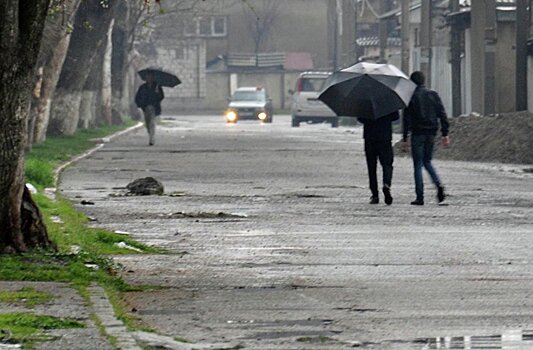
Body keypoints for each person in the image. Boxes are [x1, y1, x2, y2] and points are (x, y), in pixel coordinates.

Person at [402, 71, 450, 205]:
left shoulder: (410, 97)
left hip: (417, 133)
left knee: (417, 165)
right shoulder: (433, 95)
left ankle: (420, 196)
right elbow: (442, 114)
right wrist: (445, 133)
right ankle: (438, 184)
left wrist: (405, 138)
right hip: (431, 133)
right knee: (427, 161)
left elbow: (406, 119)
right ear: (424, 80)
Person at [358, 111, 399, 205]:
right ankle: (386, 184)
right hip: (385, 136)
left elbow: (360, 119)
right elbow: (395, 117)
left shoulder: (365, 101)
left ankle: (375, 195)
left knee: (371, 167)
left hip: (369, 137)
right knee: (387, 164)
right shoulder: (389, 101)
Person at [135, 73, 164, 146]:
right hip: (145, 107)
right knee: (147, 123)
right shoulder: (142, 87)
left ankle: (152, 138)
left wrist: (158, 93)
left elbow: (161, 97)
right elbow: (137, 97)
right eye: (147, 77)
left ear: (153, 78)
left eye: (150, 77)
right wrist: (139, 105)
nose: (149, 78)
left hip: (154, 107)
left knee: (152, 122)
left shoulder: (157, 87)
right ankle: (150, 134)